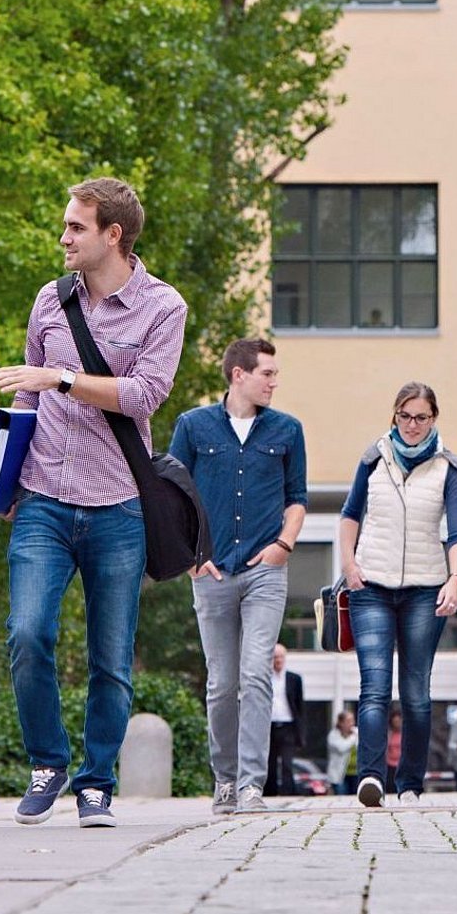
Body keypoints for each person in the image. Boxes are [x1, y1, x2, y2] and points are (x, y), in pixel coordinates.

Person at [0, 178, 187, 828]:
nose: (64, 236)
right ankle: (49, 762)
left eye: (76, 227)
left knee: (110, 657)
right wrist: (7, 481)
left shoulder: (163, 307)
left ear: (113, 236)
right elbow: (26, 395)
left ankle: (96, 781)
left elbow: (144, 395)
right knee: (27, 633)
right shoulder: (52, 299)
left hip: (118, 506)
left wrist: (64, 379)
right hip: (43, 498)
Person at [169, 337, 307, 815]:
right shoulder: (193, 426)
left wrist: (282, 546)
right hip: (210, 572)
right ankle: (224, 780)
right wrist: (189, 557)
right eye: (267, 373)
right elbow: (173, 498)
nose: (274, 382)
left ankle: (252, 784)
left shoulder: (288, 430)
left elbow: (297, 499)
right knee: (222, 682)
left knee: (256, 674)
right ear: (238, 375)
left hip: (265, 571)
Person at [339, 383, 457, 808]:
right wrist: (349, 566)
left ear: (434, 419)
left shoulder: (449, 468)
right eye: (406, 416)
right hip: (370, 585)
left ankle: (410, 784)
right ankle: (371, 778)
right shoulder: (372, 459)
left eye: (422, 417)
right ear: (395, 415)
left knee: (415, 692)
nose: (413, 425)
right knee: (374, 688)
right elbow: (349, 515)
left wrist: (455, 580)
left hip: (424, 589)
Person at [267, 644, 305, 799]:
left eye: (281, 657)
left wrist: (300, 732)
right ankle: (270, 791)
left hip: (288, 725)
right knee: (270, 762)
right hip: (269, 725)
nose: (278, 660)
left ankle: (288, 793)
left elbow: (300, 706)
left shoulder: (294, 679)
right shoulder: (265, 678)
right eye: (275, 657)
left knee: (287, 763)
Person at [327, 710, 358, 796]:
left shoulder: (357, 732)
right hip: (340, 775)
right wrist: (353, 737)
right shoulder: (333, 735)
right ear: (341, 723)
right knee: (342, 797)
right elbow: (342, 748)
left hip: (356, 773)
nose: (351, 723)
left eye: (352, 720)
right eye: (348, 721)